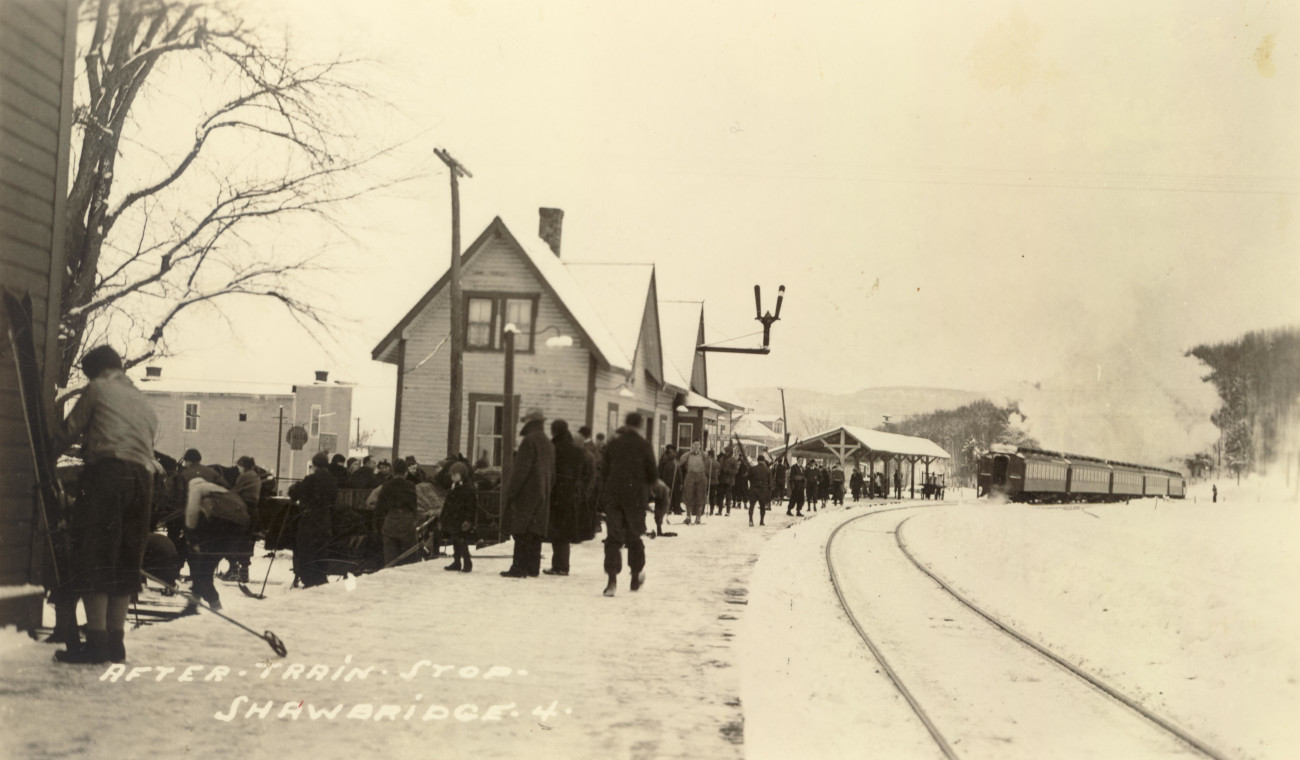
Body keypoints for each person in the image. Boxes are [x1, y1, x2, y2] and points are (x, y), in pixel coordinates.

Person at [49, 346, 159, 664]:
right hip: (143, 480)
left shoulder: (98, 388)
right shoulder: (142, 400)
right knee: (126, 557)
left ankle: (96, 643)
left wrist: (45, 458)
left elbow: (69, 430)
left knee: (95, 552)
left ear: (94, 371)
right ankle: (116, 643)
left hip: (108, 474)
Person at [600, 412, 657, 596]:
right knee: (634, 538)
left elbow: (604, 471)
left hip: (614, 497)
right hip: (635, 499)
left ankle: (612, 582)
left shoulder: (613, 444)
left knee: (613, 539)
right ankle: (635, 575)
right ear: (640, 425)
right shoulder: (644, 445)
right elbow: (652, 475)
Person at [501, 408, 555, 578]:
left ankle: (518, 568)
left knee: (521, 531)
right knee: (535, 532)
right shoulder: (547, 442)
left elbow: (520, 471)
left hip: (527, 493)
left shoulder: (529, 441)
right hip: (543, 493)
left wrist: (511, 491)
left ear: (530, 422)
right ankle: (532, 568)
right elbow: (553, 473)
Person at [184, 477, 250, 610]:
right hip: (238, 529)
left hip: (221, 531)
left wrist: (190, 536)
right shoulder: (221, 492)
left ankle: (217, 610)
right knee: (202, 570)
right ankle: (191, 607)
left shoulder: (196, 489)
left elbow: (191, 515)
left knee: (203, 574)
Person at [546, 420, 595, 576]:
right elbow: (586, 472)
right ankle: (563, 565)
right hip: (572, 494)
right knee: (565, 532)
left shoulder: (553, 448)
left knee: (556, 530)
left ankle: (558, 565)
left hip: (556, 493)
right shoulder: (578, 451)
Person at [288, 452, 338, 588]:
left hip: (310, 519)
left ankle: (309, 579)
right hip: (325, 519)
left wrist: (295, 487)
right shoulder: (332, 480)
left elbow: (294, 493)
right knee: (321, 549)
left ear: (314, 465)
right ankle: (321, 578)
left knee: (306, 550)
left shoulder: (311, 479)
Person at [218, 456, 262, 583]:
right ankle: (243, 573)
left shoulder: (245, 476)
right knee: (246, 541)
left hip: (243, 511)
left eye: (239, 466)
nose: (238, 468)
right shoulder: (255, 475)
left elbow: (235, 492)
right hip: (254, 511)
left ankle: (233, 570)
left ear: (243, 465)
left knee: (233, 539)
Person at [375, 459, 418, 566]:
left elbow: (380, 507)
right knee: (409, 557)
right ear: (406, 472)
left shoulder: (387, 485)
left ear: (393, 472)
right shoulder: (410, 485)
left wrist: (377, 526)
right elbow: (414, 506)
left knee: (390, 557)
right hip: (406, 520)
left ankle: (390, 578)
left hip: (391, 520)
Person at [442, 461, 477, 572]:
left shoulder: (468, 487)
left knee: (462, 541)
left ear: (462, 474)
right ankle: (457, 561)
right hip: (454, 518)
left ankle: (467, 562)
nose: (452, 477)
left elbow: (471, 506)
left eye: (455, 475)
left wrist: (468, 519)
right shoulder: (454, 486)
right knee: (456, 540)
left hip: (462, 518)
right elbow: (448, 503)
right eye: (451, 475)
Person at [679, 441, 709, 525]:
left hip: (701, 476)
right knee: (688, 496)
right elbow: (680, 462)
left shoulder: (704, 455)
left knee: (701, 496)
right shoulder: (687, 455)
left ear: (700, 446)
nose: (696, 446)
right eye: (694, 444)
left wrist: (710, 458)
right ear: (692, 445)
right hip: (690, 476)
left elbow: (709, 463)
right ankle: (688, 517)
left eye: (698, 445)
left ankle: (698, 517)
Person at [656, 445, 679, 533]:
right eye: (673, 452)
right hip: (662, 485)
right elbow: (664, 473)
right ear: (670, 451)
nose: (675, 454)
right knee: (661, 505)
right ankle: (658, 526)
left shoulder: (669, 459)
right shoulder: (666, 460)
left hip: (663, 485)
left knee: (661, 505)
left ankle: (659, 526)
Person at [749, 455, 772, 526]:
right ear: (764, 461)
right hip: (763, 490)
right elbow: (770, 483)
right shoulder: (768, 470)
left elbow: (747, 477)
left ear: (757, 460)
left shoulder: (753, 469)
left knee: (752, 506)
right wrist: (769, 491)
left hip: (754, 489)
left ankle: (750, 520)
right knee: (762, 506)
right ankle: (761, 521)